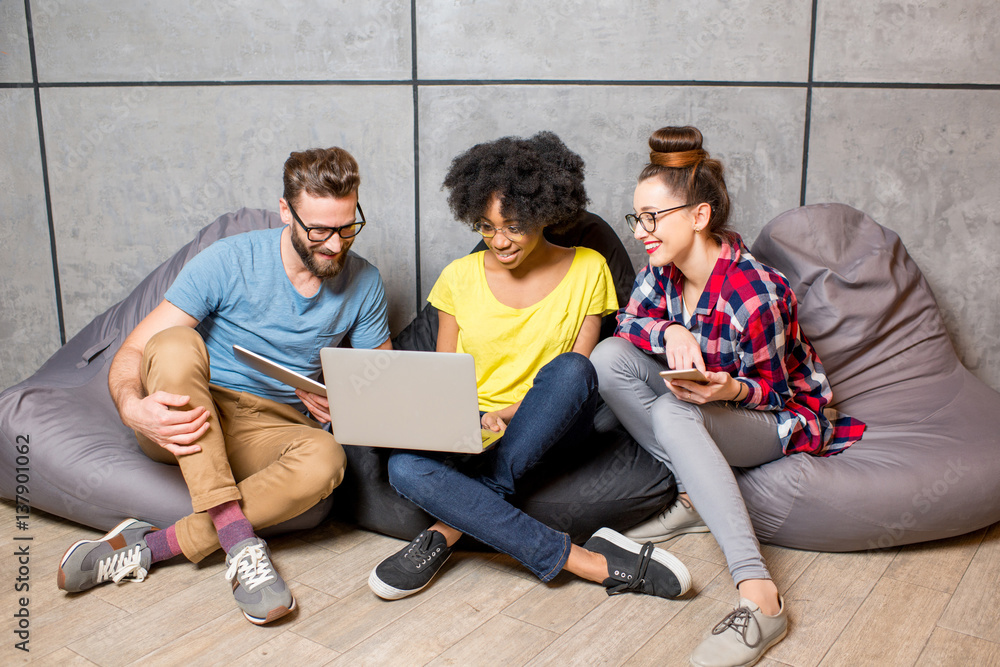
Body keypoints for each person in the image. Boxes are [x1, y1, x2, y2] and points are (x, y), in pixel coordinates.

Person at [56, 147, 392, 625]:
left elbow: (382, 383)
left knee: (326, 458)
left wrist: (345, 396)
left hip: (267, 429)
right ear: (285, 211)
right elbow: (134, 352)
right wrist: (132, 408)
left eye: (346, 227)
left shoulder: (366, 282)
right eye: (318, 230)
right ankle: (239, 545)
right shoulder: (229, 260)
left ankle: (154, 545)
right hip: (187, 415)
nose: (335, 245)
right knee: (173, 341)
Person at [368, 131, 692, 603]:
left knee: (574, 371)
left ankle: (449, 528)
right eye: (485, 226)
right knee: (402, 468)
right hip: (474, 430)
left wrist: (509, 415)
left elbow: (576, 377)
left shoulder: (589, 267)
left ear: (543, 213)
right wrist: (463, 421)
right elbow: (444, 382)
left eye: (513, 226)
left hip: (549, 423)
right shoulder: (458, 278)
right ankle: (587, 561)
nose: (499, 241)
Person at [591, 126, 865, 667]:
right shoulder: (661, 270)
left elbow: (778, 393)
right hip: (708, 411)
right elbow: (626, 323)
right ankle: (695, 495)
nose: (642, 231)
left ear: (699, 216)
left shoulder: (754, 292)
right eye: (637, 218)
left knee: (674, 409)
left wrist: (729, 388)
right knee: (606, 360)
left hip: (778, 415)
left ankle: (760, 596)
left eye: (654, 218)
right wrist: (668, 331)